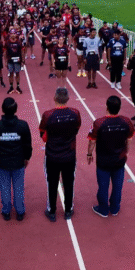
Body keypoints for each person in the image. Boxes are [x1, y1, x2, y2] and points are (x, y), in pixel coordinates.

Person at [87, 96, 135, 217]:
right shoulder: (126, 121)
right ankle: (114, 208)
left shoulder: (99, 123)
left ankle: (103, 209)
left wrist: (89, 153)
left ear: (107, 107)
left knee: (103, 186)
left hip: (103, 161)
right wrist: (127, 152)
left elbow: (92, 141)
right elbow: (129, 138)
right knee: (117, 186)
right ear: (119, 108)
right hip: (119, 160)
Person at [39, 87, 81, 221]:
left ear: (55, 98)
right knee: (69, 182)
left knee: (52, 183)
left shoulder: (48, 115)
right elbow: (77, 128)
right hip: (69, 155)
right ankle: (68, 210)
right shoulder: (75, 113)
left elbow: (42, 132)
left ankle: (52, 211)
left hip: (52, 156)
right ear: (68, 98)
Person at [0, 97, 32, 221]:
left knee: (4, 187)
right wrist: (27, 158)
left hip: (2, 162)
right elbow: (27, 144)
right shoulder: (23, 125)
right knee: (18, 187)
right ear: (15, 109)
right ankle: (20, 211)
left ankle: (6, 211)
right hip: (18, 162)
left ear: (2, 109)